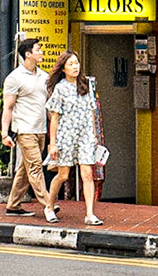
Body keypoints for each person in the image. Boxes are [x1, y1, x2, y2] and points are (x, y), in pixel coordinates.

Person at [43, 50, 103, 227]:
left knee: (87, 174)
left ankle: (90, 214)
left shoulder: (86, 84)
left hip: (85, 136)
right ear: (63, 68)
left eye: (76, 63)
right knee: (63, 175)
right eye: (70, 64)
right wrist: (52, 143)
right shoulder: (60, 88)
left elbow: (92, 112)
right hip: (66, 136)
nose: (75, 66)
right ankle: (49, 206)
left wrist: (94, 136)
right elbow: (54, 117)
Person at [0, 37, 54, 217]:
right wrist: (5, 134)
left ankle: (13, 205)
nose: (41, 52)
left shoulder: (44, 76)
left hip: (40, 129)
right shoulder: (14, 78)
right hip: (24, 130)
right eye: (38, 50)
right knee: (36, 167)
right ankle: (48, 204)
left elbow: (47, 106)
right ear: (28, 54)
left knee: (25, 169)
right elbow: (7, 108)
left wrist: (54, 129)